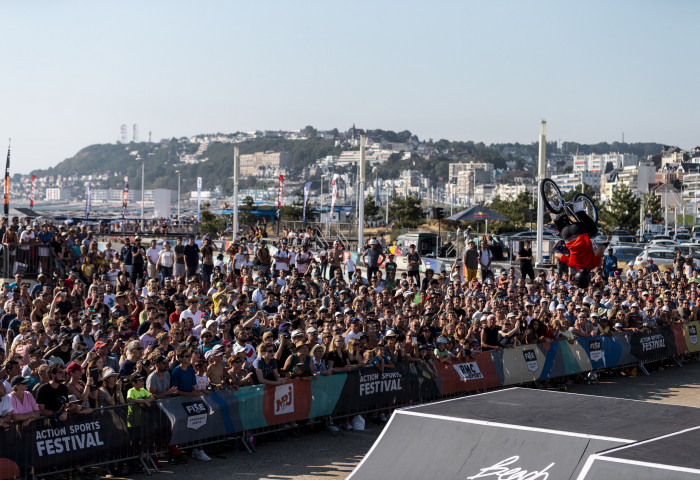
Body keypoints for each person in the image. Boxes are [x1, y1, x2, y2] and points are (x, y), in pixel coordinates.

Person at [551, 207, 607, 288]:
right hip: (566, 235)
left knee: (594, 231)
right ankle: (554, 215)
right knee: (561, 228)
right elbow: (556, 255)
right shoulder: (572, 264)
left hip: (578, 231)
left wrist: (605, 245)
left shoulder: (593, 264)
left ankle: (579, 210)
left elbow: (600, 249)